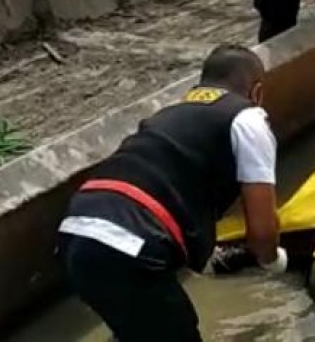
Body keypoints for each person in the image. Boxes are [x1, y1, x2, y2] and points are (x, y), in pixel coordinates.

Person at [57, 45, 287, 342]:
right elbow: (262, 230)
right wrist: (271, 261)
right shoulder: (248, 119)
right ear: (256, 93)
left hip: (76, 236)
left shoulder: (169, 117)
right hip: (129, 242)